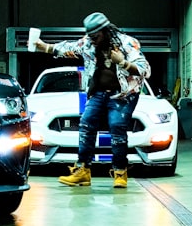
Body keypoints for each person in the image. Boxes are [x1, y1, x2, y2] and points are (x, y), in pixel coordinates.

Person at [33, 11, 151, 188]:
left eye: (96, 36)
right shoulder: (88, 43)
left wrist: (123, 62)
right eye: (90, 36)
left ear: (105, 31)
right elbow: (69, 48)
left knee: (117, 128)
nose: (92, 40)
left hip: (123, 95)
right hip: (98, 92)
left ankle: (120, 173)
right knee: (86, 124)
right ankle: (83, 172)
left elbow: (145, 69)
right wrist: (44, 46)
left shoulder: (127, 43)